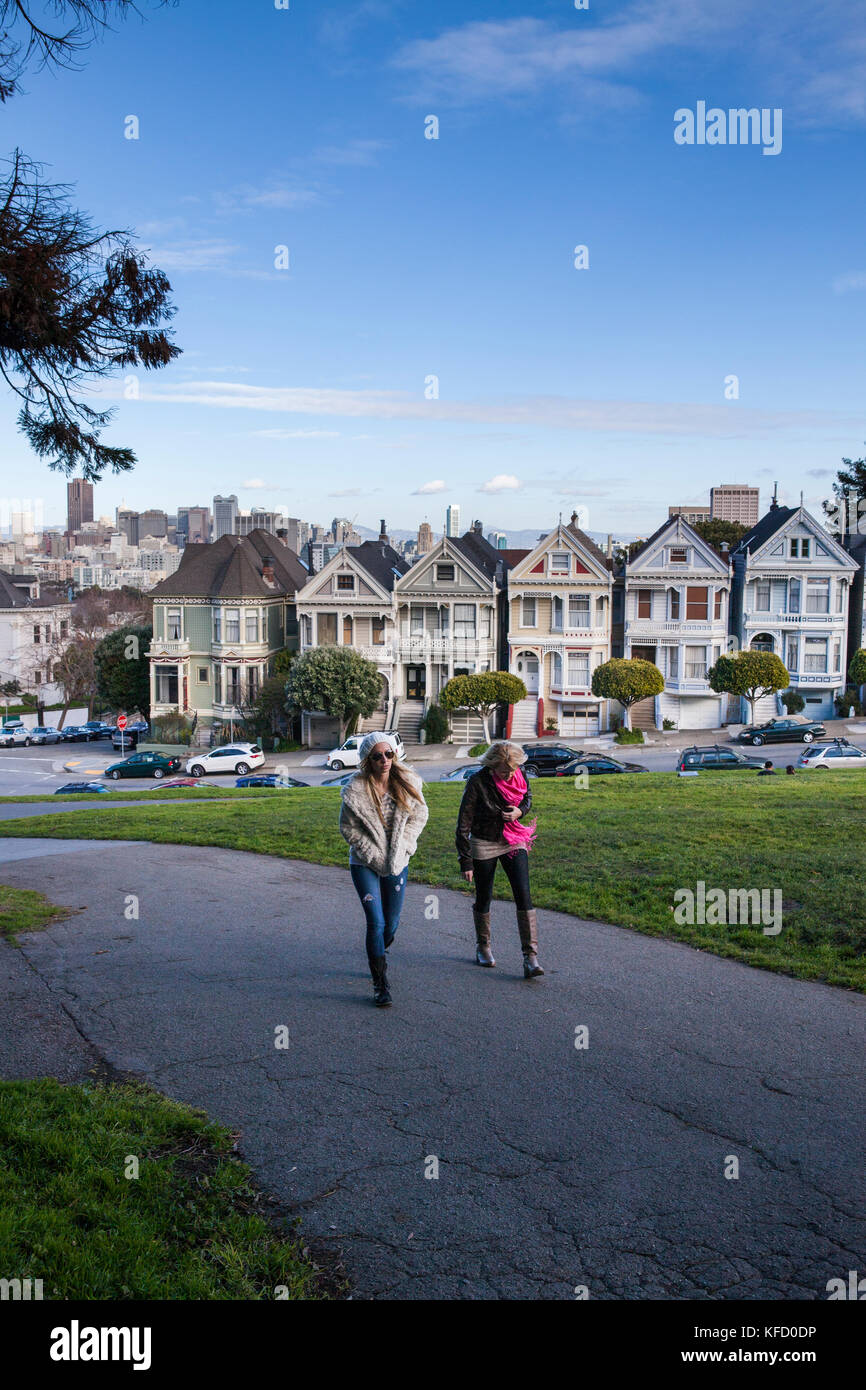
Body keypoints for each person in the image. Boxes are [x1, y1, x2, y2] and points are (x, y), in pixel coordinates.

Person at [339, 732, 428, 1007]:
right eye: (377, 756)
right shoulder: (355, 790)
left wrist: (406, 846)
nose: (385, 760)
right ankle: (380, 984)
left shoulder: (407, 783)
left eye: (389, 754)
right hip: (364, 863)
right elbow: (348, 828)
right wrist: (371, 853)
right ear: (368, 760)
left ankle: (378, 950)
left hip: (398, 860)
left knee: (390, 925)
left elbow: (420, 817)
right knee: (375, 923)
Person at [456, 740, 543, 978]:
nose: (510, 775)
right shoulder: (477, 782)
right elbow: (463, 823)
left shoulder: (519, 771)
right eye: (505, 772)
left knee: (523, 894)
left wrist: (520, 812)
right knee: (484, 896)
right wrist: (466, 861)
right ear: (493, 766)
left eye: (513, 770)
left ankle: (530, 957)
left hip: (513, 839)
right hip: (484, 842)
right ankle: (483, 946)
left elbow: (527, 798)